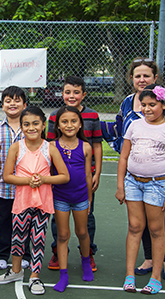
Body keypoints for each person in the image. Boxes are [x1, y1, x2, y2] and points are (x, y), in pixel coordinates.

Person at [101, 58, 165, 280]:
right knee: (139, 219)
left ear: (155, 78)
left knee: (164, 213)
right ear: (131, 79)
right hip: (136, 174)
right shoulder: (127, 103)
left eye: (146, 75)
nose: (142, 79)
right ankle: (149, 258)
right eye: (137, 76)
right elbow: (120, 128)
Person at [116, 84, 165, 294]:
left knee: (156, 229)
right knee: (135, 227)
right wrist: (121, 185)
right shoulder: (135, 126)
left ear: (164, 105)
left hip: (159, 184)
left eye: (152, 105)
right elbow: (124, 157)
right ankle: (129, 275)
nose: (147, 109)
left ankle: (156, 277)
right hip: (133, 183)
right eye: (144, 105)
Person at [0, 106, 70, 295]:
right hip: (21, 203)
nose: (31, 128)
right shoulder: (16, 147)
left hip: (43, 204)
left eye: (35, 123)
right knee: (18, 238)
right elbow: (7, 176)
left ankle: (35, 276)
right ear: (21, 127)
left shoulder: (50, 148)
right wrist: (27, 181)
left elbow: (64, 176)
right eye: (26, 124)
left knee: (38, 239)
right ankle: (16, 271)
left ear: (43, 125)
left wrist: (44, 180)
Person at [46, 76, 102, 272]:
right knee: (58, 221)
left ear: (83, 95)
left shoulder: (93, 116)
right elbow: (49, 150)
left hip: (84, 178)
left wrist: (98, 172)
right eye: (68, 92)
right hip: (60, 183)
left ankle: (88, 253)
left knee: (87, 218)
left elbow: (97, 146)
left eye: (76, 92)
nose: (72, 96)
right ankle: (57, 251)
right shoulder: (54, 116)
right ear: (62, 94)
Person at [0, 86, 31, 271]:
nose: (13, 104)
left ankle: (24, 254)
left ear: (25, 104)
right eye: (8, 101)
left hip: (26, 188)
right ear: (2, 105)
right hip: (1, 188)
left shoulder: (31, 128)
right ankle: (1, 255)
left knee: (25, 221)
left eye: (17, 100)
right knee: (1, 222)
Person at [51, 106, 94, 293]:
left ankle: (86, 261)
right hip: (60, 197)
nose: (69, 125)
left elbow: (87, 175)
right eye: (64, 121)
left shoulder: (86, 147)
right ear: (58, 125)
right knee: (62, 235)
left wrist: (90, 200)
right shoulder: (52, 146)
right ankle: (63, 274)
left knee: (82, 232)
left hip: (81, 198)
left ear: (80, 125)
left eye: (73, 121)